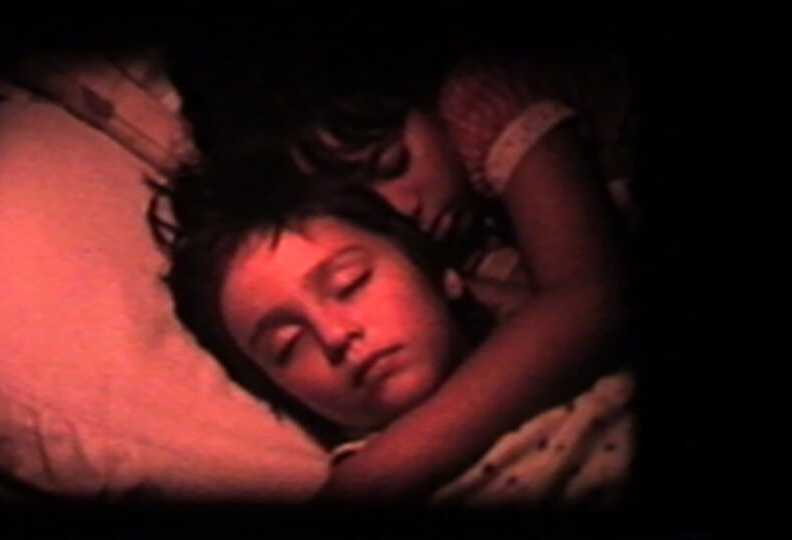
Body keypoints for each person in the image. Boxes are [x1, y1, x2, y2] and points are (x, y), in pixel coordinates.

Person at [160, 39, 634, 501]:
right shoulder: (427, 257)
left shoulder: (480, 101)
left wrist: (374, 476)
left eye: (393, 164)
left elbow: (589, 296)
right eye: (286, 345)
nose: (403, 207)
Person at [159, 181, 633, 506]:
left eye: (351, 282)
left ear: (442, 274)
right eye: (286, 345)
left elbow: (593, 293)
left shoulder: (559, 328)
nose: (335, 334)